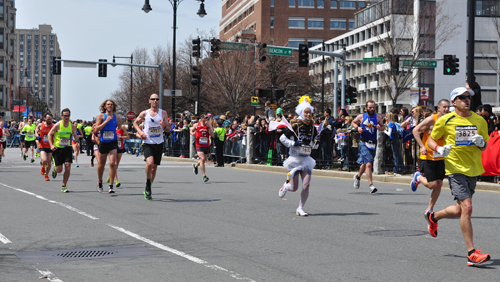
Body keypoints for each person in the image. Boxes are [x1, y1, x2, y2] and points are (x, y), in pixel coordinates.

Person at [427, 87, 490, 266]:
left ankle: (434, 217)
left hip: (473, 168)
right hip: (454, 168)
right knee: (467, 208)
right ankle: (472, 253)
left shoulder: (480, 120)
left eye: (468, 97)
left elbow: (484, 146)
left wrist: (481, 143)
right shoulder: (446, 120)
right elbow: (432, 139)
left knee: (459, 210)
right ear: (454, 102)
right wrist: (438, 149)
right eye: (462, 97)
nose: (466, 100)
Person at [278, 96, 318, 216]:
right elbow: (282, 138)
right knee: (294, 188)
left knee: (306, 185)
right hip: (295, 159)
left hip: (306, 159)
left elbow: (313, 144)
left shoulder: (312, 127)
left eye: (310, 112)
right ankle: (286, 186)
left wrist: (316, 143)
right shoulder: (296, 125)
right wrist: (293, 143)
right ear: (302, 112)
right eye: (306, 112)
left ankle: (300, 208)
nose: (308, 114)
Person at [410, 99, 450, 216]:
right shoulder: (431, 119)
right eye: (444, 107)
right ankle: (418, 177)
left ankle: (430, 209)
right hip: (428, 156)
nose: (447, 109)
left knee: (439, 183)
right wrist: (422, 146)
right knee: (432, 184)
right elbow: (415, 130)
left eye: (448, 107)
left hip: (440, 156)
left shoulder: (449, 120)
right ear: (439, 108)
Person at [133, 93, 170, 200]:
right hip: (148, 142)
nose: (155, 101)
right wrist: (140, 132)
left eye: (157, 99)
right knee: (150, 163)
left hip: (159, 142)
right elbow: (135, 123)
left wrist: (164, 126)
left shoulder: (163, 113)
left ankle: (148, 186)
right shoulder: (145, 113)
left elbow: (168, 128)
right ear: (149, 101)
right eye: (153, 99)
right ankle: (148, 182)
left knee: (154, 168)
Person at [351, 100, 385, 193]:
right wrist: (357, 127)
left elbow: (383, 127)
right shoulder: (361, 116)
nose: (372, 109)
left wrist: (380, 128)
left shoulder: (377, 117)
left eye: (373, 107)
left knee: (365, 164)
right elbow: (353, 122)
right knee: (369, 164)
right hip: (363, 142)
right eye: (370, 107)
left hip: (373, 143)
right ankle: (371, 185)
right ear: (366, 108)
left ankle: (357, 177)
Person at [48, 108, 79, 193]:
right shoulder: (58, 125)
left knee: (68, 166)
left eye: (68, 115)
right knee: (59, 170)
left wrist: (76, 141)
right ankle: (55, 170)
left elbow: (75, 135)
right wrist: (51, 145)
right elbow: (49, 134)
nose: (67, 117)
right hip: (57, 149)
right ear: (62, 116)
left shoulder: (71, 126)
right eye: (65, 115)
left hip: (67, 149)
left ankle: (64, 185)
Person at [94, 100, 122, 193]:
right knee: (101, 164)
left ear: (113, 106)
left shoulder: (117, 117)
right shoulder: (101, 116)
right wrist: (106, 121)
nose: (110, 106)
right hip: (103, 142)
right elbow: (97, 128)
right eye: (108, 104)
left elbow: (119, 127)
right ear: (105, 106)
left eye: (111, 105)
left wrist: (119, 132)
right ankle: (100, 181)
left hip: (113, 141)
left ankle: (111, 185)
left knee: (113, 163)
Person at [190, 114, 214, 182]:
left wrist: (209, 127)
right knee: (203, 159)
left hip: (206, 145)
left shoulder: (209, 125)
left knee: (203, 159)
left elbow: (212, 135)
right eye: (205, 118)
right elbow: (191, 130)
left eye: (207, 118)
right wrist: (192, 133)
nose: (206, 119)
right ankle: (204, 176)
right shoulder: (197, 125)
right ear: (201, 118)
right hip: (199, 144)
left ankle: (196, 165)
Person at [35, 113, 54, 181]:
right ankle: (43, 166)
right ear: (45, 118)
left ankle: (47, 175)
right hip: (42, 145)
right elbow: (36, 131)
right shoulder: (40, 125)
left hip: (50, 145)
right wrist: (37, 136)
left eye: (50, 119)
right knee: (44, 160)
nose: (49, 120)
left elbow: (57, 132)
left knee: (49, 162)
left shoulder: (53, 125)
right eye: (48, 119)